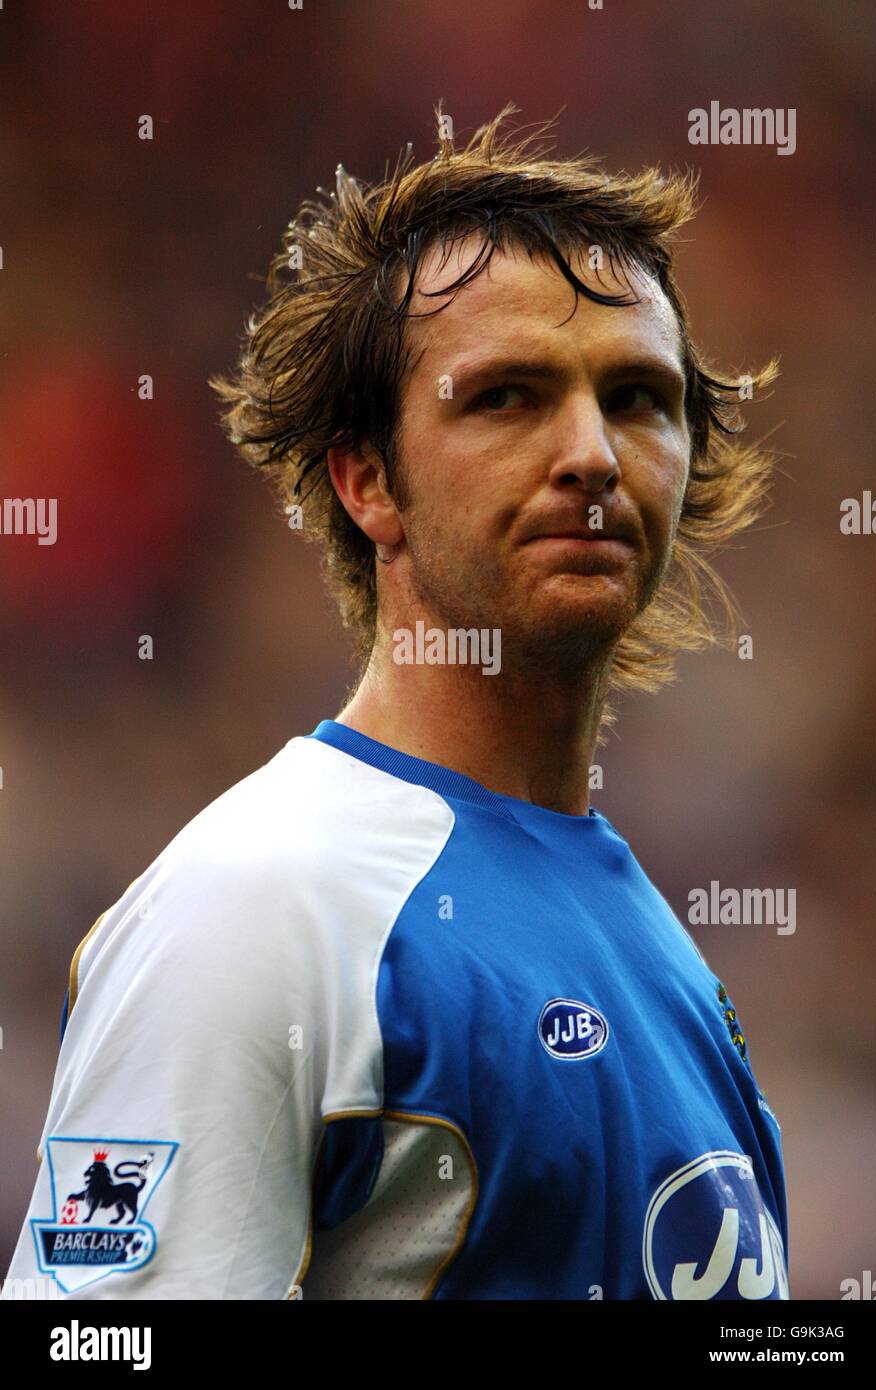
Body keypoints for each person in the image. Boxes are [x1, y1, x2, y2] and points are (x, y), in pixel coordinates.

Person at [3, 104, 788, 1300]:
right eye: (508, 397)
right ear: (369, 479)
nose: (594, 454)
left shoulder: (655, 944)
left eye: (637, 398)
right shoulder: (259, 907)